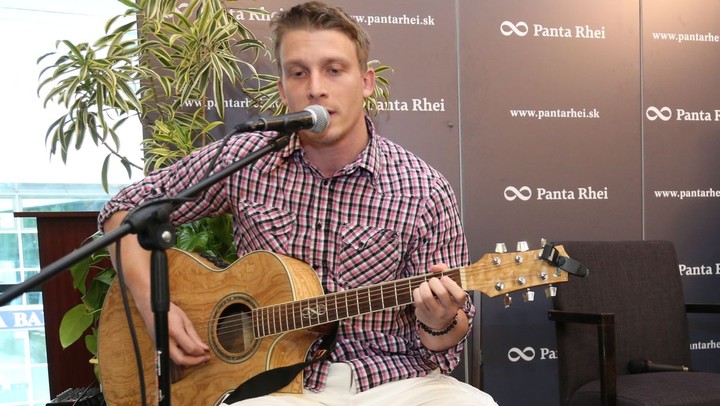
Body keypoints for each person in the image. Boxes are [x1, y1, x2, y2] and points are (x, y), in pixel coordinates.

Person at [98, 1, 497, 405]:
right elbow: (123, 211)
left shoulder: (424, 189)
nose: (316, 88)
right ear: (283, 89)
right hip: (265, 383)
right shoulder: (245, 159)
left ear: (366, 83)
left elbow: (443, 343)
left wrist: (439, 320)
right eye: (298, 72)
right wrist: (155, 308)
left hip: (390, 381)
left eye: (334, 69)